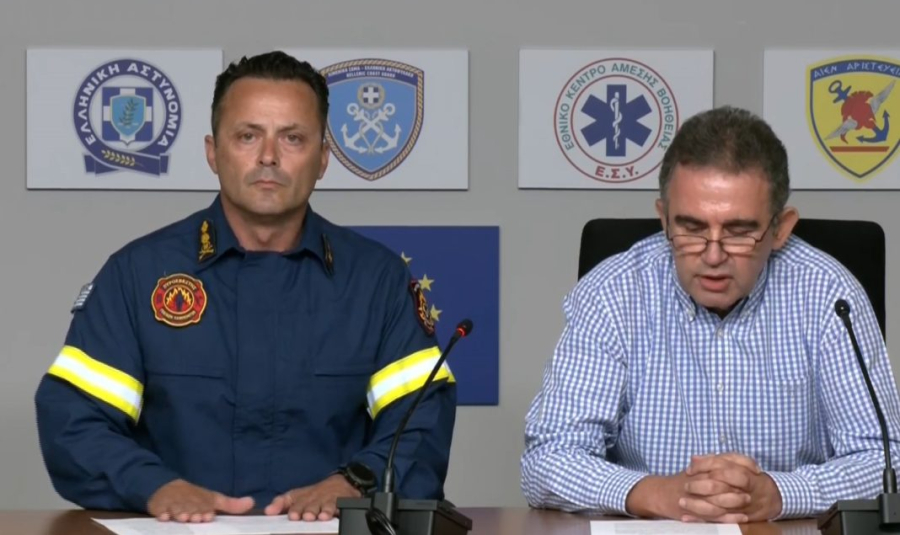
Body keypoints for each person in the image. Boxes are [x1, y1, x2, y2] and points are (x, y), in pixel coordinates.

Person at [35, 51, 457, 523]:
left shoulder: (376, 280)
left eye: (293, 138)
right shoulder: (137, 275)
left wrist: (358, 482)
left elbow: (421, 419)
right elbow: (73, 420)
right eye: (247, 136)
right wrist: (154, 486)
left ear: (322, 158)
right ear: (213, 152)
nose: (269, 157)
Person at [521, 106, 900, 523]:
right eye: (692, 228)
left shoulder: (830, 295)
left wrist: (780, 494)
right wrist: (657, 494)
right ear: (664, 219)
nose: (713, 255)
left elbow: (887, 461)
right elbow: (547, 460)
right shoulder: (613, 293)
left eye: (738, 231)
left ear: (780, 229)